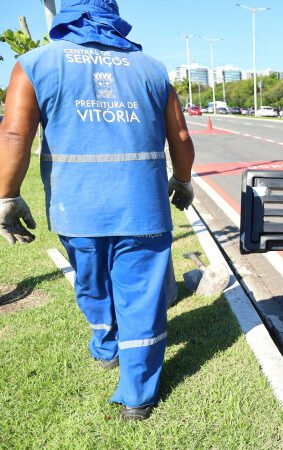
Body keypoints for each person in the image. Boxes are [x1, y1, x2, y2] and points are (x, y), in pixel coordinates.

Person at [0, 0, 195, 421]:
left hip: (77, 208)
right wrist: (182, 181)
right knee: (141, 298)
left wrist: (7, 196)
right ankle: (137, 396)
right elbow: (178, 134)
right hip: (143, 206)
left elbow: (15, 132)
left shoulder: (35, 63)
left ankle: (107, 348)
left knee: (92, 280)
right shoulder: (152, 68)